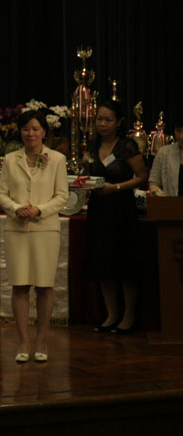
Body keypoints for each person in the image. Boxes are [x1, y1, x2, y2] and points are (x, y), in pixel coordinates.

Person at [0, 110, 68, 363]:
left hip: (45, 229)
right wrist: (17, 208)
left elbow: (62, 195)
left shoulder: (57, 159)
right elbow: (1, 193)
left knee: (45, 286)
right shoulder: (10, 159)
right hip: (17, 230)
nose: (31, 133)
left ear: (44, 132)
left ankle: (42, 341)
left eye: (36, 129)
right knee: (20, 285)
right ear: (21, 132)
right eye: (26, 129)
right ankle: (23, 341)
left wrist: (39, 209)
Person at [85, 99, 149, 334]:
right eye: (99, 119)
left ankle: (128, 316)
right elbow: (89, 173)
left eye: (108, 120)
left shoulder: (126, 146)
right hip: (98, 209)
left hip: (121, 209)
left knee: (124, 264)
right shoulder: (92, 145)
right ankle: (111, 314)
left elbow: (142, 176)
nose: (102, 124)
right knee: (103, 263)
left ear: (119, 122)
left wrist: (117, 187)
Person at [149, 120, 183, 197]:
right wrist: (160, 196)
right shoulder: (164, 152)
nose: (181, 136)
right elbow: (154, 183)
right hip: (171, 203)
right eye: (178, 131)